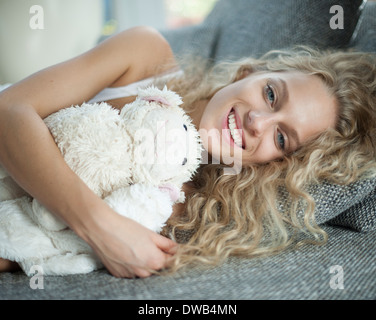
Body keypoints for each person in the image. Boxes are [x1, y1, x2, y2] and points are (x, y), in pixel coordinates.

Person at [0, 26, 375, 277]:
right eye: (272, 93)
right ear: (249, 73)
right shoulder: (145, 59)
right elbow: (9, 110)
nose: (258, 121)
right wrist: (102, 226)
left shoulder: (184, 208)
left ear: (276, 165)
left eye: (281, 138)